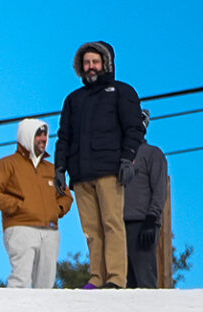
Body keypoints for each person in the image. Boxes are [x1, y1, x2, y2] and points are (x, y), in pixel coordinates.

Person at [56, 41, 145, 289]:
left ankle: (116, 278)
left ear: (106, 64)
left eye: (95, 62)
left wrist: (127, 159)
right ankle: (97, 277)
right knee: (91, 230)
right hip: (81, 174)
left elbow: (134, 129)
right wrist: (60, 168)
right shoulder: (73, 100)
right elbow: (64, 137)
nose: (91, 67)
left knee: (112, 224)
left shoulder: (121, 92)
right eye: (86, 63)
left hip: (109, 171)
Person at [0, 119, 74, 289]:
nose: (43, 139)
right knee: (21, 279)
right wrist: (18, 206)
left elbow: (66, 196)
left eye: (45, 135)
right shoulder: (6, 165)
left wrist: (56, 210)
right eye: (38, 134)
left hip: (50, 231)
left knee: (46, 284)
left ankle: (41, 308)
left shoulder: (51, 169)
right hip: (21, 228)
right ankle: (14, 307)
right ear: (26, 136)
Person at [125, 109, 170, 289]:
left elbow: (160, 188)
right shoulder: (120, 156)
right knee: (123, 282)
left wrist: (152, 219)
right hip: (118, 225)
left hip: (142, 223)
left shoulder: (152, 154)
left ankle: (149, 307)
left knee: (144, 279)